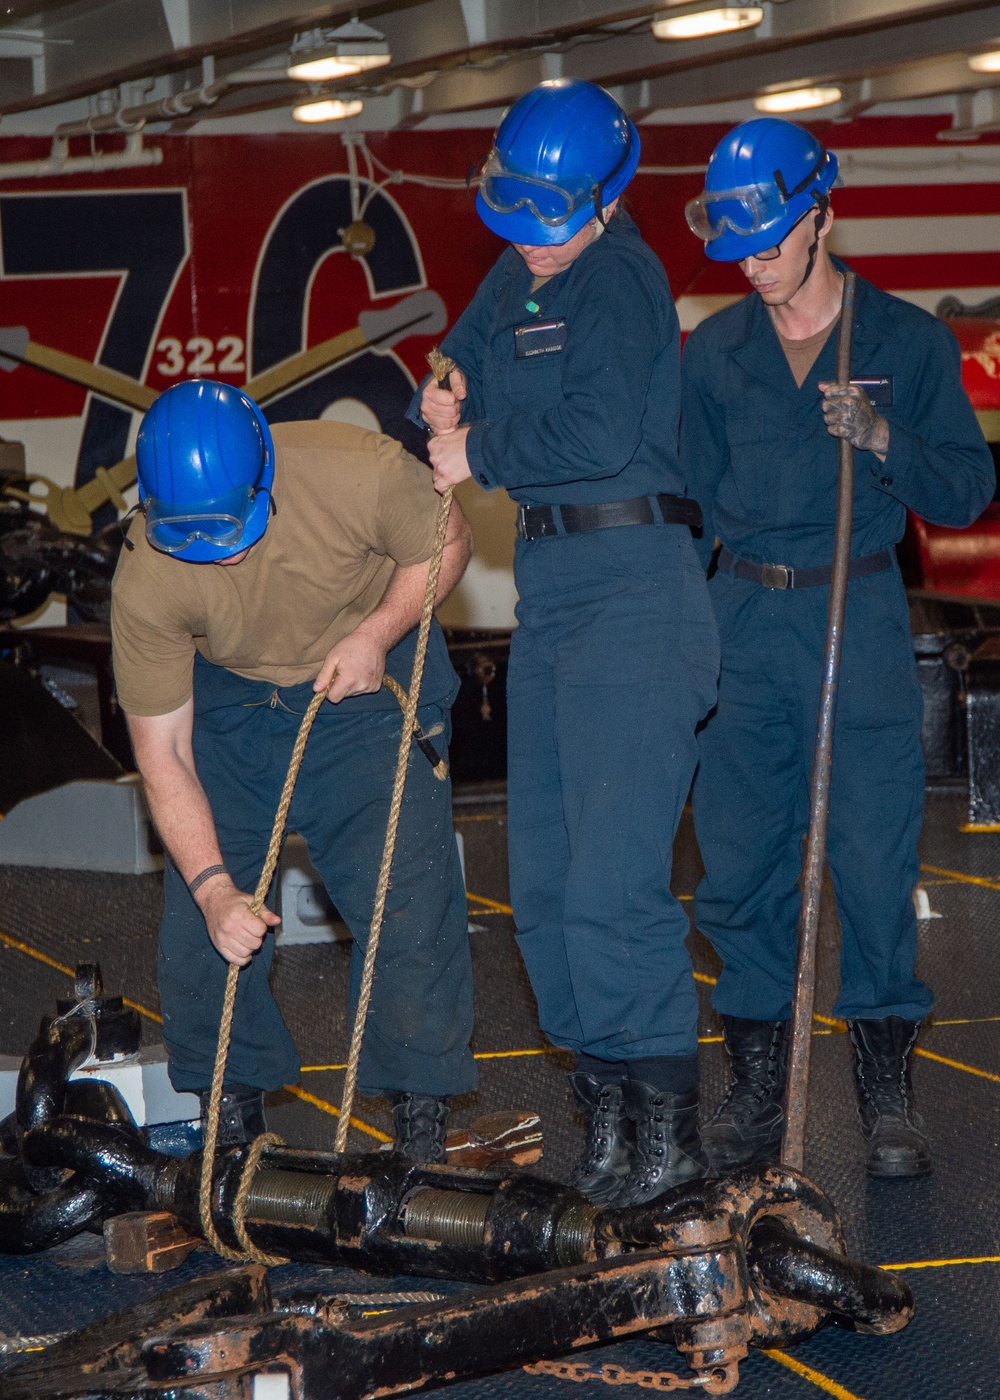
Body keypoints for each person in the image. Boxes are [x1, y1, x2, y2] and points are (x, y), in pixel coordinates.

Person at [409, 78, 719, 1206]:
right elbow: (461, 356)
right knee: (539, 882)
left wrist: (476, 449)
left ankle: (667, 1142)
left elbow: (589, 430)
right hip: (550, 589)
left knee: (612, 884)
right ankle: (603, 1112)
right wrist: (445, 392)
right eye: (518, 217)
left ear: (603, 200)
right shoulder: (520, 265)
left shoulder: (624, 279)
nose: (532, 244)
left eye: (552, 222)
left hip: (635, 587)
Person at [682, 118, 994, 1179]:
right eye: (740, 246)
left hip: (856, 617)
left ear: (822, 213)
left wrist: (882, 440)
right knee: (740, 863)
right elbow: (686, 501)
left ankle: (884, 1087)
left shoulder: (903, 342)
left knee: (870, 857)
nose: (754, 261)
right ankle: (759, 1083)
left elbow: (964, 487)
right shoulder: (714, 352)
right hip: (742, 621)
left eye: (771, 238)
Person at [111, 378, 478, 1160]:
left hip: (368, 678)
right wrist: (213, 891)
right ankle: (232, 1120)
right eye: (197, 536)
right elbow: (164, 752)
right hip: (233, 705)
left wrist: (379, 632)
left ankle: (417, 1120)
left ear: (265, 478)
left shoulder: (356, 472)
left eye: (235, 526)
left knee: (404, 901)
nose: (225, 551)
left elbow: (450, 541)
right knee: (202, 930)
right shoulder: (145, 572)